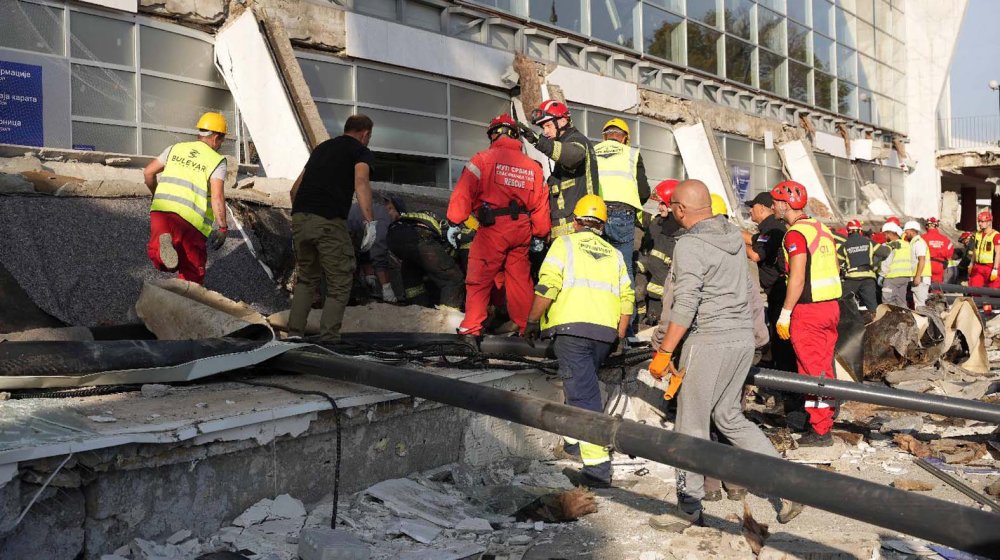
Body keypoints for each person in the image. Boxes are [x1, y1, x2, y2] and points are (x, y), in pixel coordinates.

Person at [647, 180, 801, 531]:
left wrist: (665, 349)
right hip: (741, 341)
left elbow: (683, 305)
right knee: (729, 416)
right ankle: (791, 487)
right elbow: (748, 291)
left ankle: (687, 509)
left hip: (709, 342)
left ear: (681, 210)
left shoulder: (689, 246)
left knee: (691, 425)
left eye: (671, 208)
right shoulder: (733, 236)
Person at [523, 194, 633, 487]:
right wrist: (620, 336)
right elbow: (627, 299)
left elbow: (547, 285)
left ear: (575, 222)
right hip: (604, 335)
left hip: (572, 332)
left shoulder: (564, 244)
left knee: (584, 396)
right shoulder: (615, 254)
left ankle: (597, 470)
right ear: (602, 226)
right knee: (580, 386)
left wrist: (532, 321)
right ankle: (574, 444)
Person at [447, 114, 550, 335]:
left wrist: (455, 220)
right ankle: (526, 329)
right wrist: (540, 234)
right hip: (522, 230)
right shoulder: (534, 167)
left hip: (493, 228)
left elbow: (464, 192)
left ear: (494, 134)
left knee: (479, 278)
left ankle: (471, 328)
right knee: (520, 281)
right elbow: (541, 205)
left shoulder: (482, 159)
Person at [287, 114, 377, 342]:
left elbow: (294, 189)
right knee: (340, 280)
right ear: (365, 134)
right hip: (328, 221)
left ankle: (294, 335)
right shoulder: (359, 151)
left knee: (307, 278)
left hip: (300, 217)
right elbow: (361, 182)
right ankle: (329, 339)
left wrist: (302, 216)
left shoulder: (321, 148)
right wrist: (369, 221)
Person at [771, 181, 842, 447]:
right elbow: (835, 266)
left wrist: (785, 313)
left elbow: (797, 277)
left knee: (811, 371)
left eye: (776, 201)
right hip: (830, 307)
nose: (773, 206)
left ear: (785, 204)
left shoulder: (794, 234)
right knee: (824, 366)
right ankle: (827, 414)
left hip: (808, 310)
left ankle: (821, 430)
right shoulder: (820, 228)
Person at [143, 112, 230, 285]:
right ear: (216, 137)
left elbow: (148, 172)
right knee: (192, 270)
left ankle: (162, 251)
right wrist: (222, 227)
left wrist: (156, 195)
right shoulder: (216, 160)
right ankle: (187, 303)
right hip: (190, 221)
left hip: (161, 212)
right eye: (222, 140)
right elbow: (217, 197)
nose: (221, 144)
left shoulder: (175, 148)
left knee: (161, 259)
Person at [518, 100, 599, 239]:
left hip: (578, 229)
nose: (546, 132)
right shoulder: (564, 143)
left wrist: (538, 141)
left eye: (548, 125)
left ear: (562, 121)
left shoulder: (577, 140)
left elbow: (573, 156)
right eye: (543, 128)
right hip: (568, 231)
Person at [594, 118, 650, 284]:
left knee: (598, 267)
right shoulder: (632, 154)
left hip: (596, 214)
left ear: (605, 137)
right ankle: (626, 309)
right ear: (625, 137)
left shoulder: (592, 150)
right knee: (623, 269)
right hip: (622, 214)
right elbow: (644, 192)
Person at [744, 192, 794, 371]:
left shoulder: (772, 228)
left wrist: (733, 241)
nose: (750, 210)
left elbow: (757, 254)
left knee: (780, 334)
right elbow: (753, 240)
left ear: (762, 208)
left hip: (779, 289)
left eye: (753, 206)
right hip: (776, 288)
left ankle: (784, 378)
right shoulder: (770, 227)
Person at [387, 209, 465, 309]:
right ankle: (446, 320)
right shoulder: (456, 231)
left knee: (414, 282)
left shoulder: (427, 217)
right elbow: (445, 257)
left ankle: (417, 311)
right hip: (420, 236)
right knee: (454, 279)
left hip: (394, 236)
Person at [636, 180, 683, 325]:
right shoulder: (656, 223)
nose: (659, 207)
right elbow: (640, 217)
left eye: (662, 203)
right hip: (650, 294)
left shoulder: (681, 232)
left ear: (671, 205)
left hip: (667, 299)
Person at [349, 195, 398, 303]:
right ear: (390, 208)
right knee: (346, 269)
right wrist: (386, 287)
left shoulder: (375, 210)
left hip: (343, 230)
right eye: (397, 217)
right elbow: (378, 252)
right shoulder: (384, 218)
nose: (395, 221)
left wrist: (369, 276)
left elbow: (366, 247)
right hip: (341, 233)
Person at [838, 219, 878, 310]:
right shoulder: (869, 242)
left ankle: (847, 322)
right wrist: (874, 264)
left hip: (852, 279)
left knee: (842, 303)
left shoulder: (845, 245)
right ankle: (875, 321)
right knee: (872, 306)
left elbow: (838, 262)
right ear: (860, 231)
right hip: (868, 277)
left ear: (848, 231)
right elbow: (885, 252)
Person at [878, 222, 912, 308]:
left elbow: (886, 262)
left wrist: (881, 275)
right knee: (901, 302)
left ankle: (890, 320)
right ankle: (905, 319)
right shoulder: (907, 245)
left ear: (889, 233)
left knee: (888, 303)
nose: (885, 237)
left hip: (891, 277)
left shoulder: (889, 245)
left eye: (885, 234)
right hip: (905, 277)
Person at [903, 221, 931, 308]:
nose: (906, 234)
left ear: (912, 231)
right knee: (918, 305)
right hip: (918, 278)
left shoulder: (919, 243)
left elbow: (921, 259)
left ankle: (924, 321)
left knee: (921, 305)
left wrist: (918, 276)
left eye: (907, 232)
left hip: (921, 278)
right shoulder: (914, 243)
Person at [969, 211, 1000, 288]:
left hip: (990, 267)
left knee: (994, 291)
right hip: (978, 267)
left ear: (989, 222)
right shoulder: (978, 234)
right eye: (979, 221)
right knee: (974, 288)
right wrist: (971, 264)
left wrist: (995, 269)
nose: (979, 223)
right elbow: (975, 250)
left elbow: (998, 253)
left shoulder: (995, 235)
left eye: (982, 221)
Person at [923, 217, 954, 285]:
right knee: (937, 287)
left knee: (924, 287)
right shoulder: (945, 239)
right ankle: (937, 294)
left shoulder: (922, 238)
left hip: (925, 265)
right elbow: (950, 252)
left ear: (927, 226)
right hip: (939, 266)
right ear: (936, 226)